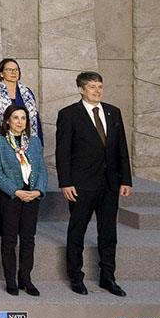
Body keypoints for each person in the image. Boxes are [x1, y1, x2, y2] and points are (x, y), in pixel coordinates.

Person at [56, 71, 133, 297]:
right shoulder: (69, 114)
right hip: (81, 185)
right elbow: (62, 152)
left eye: (100, 86)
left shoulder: (113, 112)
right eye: (92, 87)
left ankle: (108, 277)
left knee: (108, 233)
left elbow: (121, 149)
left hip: (110, 184)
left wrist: (125, 180)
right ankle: (76, 277)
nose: (97, 90)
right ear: (81, 89)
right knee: (77, 231)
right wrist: (66, 182)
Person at [0, 106, 46, 296]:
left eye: (23, 118)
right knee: (10, 239)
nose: (20, 121)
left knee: (28, 239)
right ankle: (10, 279)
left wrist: (38, 191)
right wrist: (16, 191)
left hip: (32, 196)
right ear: (7, 121)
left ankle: (26, 278)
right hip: (10, 197)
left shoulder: (35, 142)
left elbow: (42, 169)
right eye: (15, 118)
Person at [0, 58, 42, 236]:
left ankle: (24, 223)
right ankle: (4, 225)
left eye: (16, 69)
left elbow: (34, 119)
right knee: (4, 183)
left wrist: (36, 143)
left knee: (27, 178)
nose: (13, 72)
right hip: (3, 143)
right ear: (1, 73)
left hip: (26, 142)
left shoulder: (27, 92)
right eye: (9, 69)